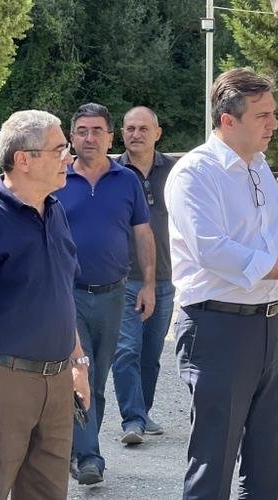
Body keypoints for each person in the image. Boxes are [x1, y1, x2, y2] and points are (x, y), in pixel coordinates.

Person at [165, 68, 278, 499]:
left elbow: (266, 241)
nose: (273, 124)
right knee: (214, 460)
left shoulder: (259, 168)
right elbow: (212, 250)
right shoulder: (195, 173)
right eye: (262, 116)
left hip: (270, 326)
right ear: (228, 120)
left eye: (273, 113)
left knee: (267, 459)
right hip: (217, 327)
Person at [0, 110, 91, 500]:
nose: (68, 157)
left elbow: (60, 295)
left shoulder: (55, 211)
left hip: (57, 382)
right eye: (59, 149)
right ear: (23, 159)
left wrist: (77, 362)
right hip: (4, 382)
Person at [55, 102, 155, 484]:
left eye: (97, 130)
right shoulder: (58, 179)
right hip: (69, 295)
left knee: (96, 381)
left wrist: (148, 284)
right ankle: (89, 458)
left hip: (115, 295)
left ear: (110, 137)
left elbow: (142, 233)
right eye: (82, 131)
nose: (90, 138)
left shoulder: (127, 180)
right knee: (81, 369)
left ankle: (75, 447)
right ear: (71, 137)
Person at [111, 106, 177, 444]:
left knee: (150, 355)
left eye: (143, 128)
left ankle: (142, 411)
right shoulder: (111, 173)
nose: (135, 134)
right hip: (123, 278)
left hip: (165, 277)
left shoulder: (176, 172)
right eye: (130, 128)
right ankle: (132, 420)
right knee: (126, 350)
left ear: (157, 133)